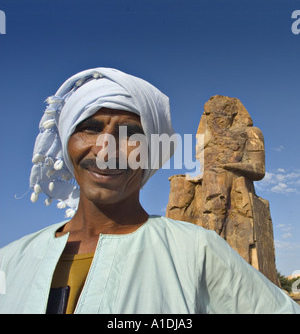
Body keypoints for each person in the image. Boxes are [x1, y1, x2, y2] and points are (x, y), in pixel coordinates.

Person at [0, 68, 299, 314]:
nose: (106, 150)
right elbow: (201, 158)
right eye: (90, 128)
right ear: (67, 141)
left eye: (130, 133)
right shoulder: (10, 261)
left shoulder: (197, 252)